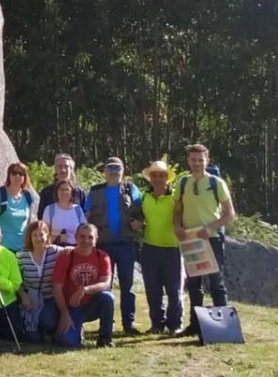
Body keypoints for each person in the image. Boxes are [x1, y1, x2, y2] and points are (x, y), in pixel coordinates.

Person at [174, 144, 236, 337]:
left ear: (207, 161)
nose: (197, 163)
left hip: (212, 239)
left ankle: (224, 329)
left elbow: (229, 214)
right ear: (188, 161)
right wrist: (177, 226)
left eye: (201, 160)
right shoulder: (183, 182)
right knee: (193, 284)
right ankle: (195, 325)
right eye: (193, 159)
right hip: (190, 240)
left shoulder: (217, 183)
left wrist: (210, 228)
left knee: (216, 283)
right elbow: (177, 208)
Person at [84, 156, 142, 334]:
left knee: (127, 286)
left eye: (118, 169)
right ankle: (106, 324)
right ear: (104, 172)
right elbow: (86, 218)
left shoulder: (131, 189)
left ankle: (128, 324)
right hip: (103, 246)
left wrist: (137, 223)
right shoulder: (94, 191)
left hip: (125, 244)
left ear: (123, 171)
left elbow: (140, 213)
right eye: (110, 168)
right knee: (104, 286)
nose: (114, 172)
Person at [136, 160, 182, 335]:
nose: (157, 179)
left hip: (172, 248)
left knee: (173, 290)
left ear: (167, 178)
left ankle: (174, 324)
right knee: (153, 290)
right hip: (149, 248)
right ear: (150, 178)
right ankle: (157, 324)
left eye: (161, 175)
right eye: (154, 175)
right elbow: (137, 216)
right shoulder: (143, 197)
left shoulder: (175, 196)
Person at [52, 223, 115, 348]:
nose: (86, 240)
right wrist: (64, 314)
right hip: (72, 307)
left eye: (90, 237)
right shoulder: (66, 256)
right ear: (75, 237)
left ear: (96, 239)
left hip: (93, 305)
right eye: (82, 236)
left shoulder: (102, 256)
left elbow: (106, 283)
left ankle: (104, 339)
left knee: (108, 297)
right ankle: (71, 330)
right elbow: (56, 287)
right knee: (67, 342)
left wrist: (85, 289)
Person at [16, 221, 64, 343]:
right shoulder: (21, 255)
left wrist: (69, 248)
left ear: (47, 236)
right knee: (32, 338)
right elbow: (16, 280)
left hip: (50, 298)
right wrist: (23, 296)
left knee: (48, 322)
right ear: (29, 237)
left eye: (41, 234)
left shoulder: (55, 252)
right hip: (30, 299)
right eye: (34, 235)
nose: (38, 238)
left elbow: (73, 251)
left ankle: (50, 327)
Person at [0, 162, 38, 251]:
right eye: (14, 173)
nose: (17, 176)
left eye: (21, 173)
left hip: (22, 249)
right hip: (2, 249)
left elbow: (31, 223)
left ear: (25, 177)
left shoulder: (28, 197)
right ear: (9, 175)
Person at [38, 153, 87, 218]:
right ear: (55, 169)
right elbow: (41, 217)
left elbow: (84, 217)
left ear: (71, 169)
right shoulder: (46, 192)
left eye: (66, 166)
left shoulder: (79, 192)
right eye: (59, 167)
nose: (63, 170)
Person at [42, 179, 87, 246]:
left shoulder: (77, 210)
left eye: (67, 190)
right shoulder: (49, 209)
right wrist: (58, 238)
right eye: (61, 189)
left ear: (72, 193)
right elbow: (44, 234)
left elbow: (85, 231)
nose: (64, 192)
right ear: (57, 192)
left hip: (75, 249)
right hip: (56, 248)